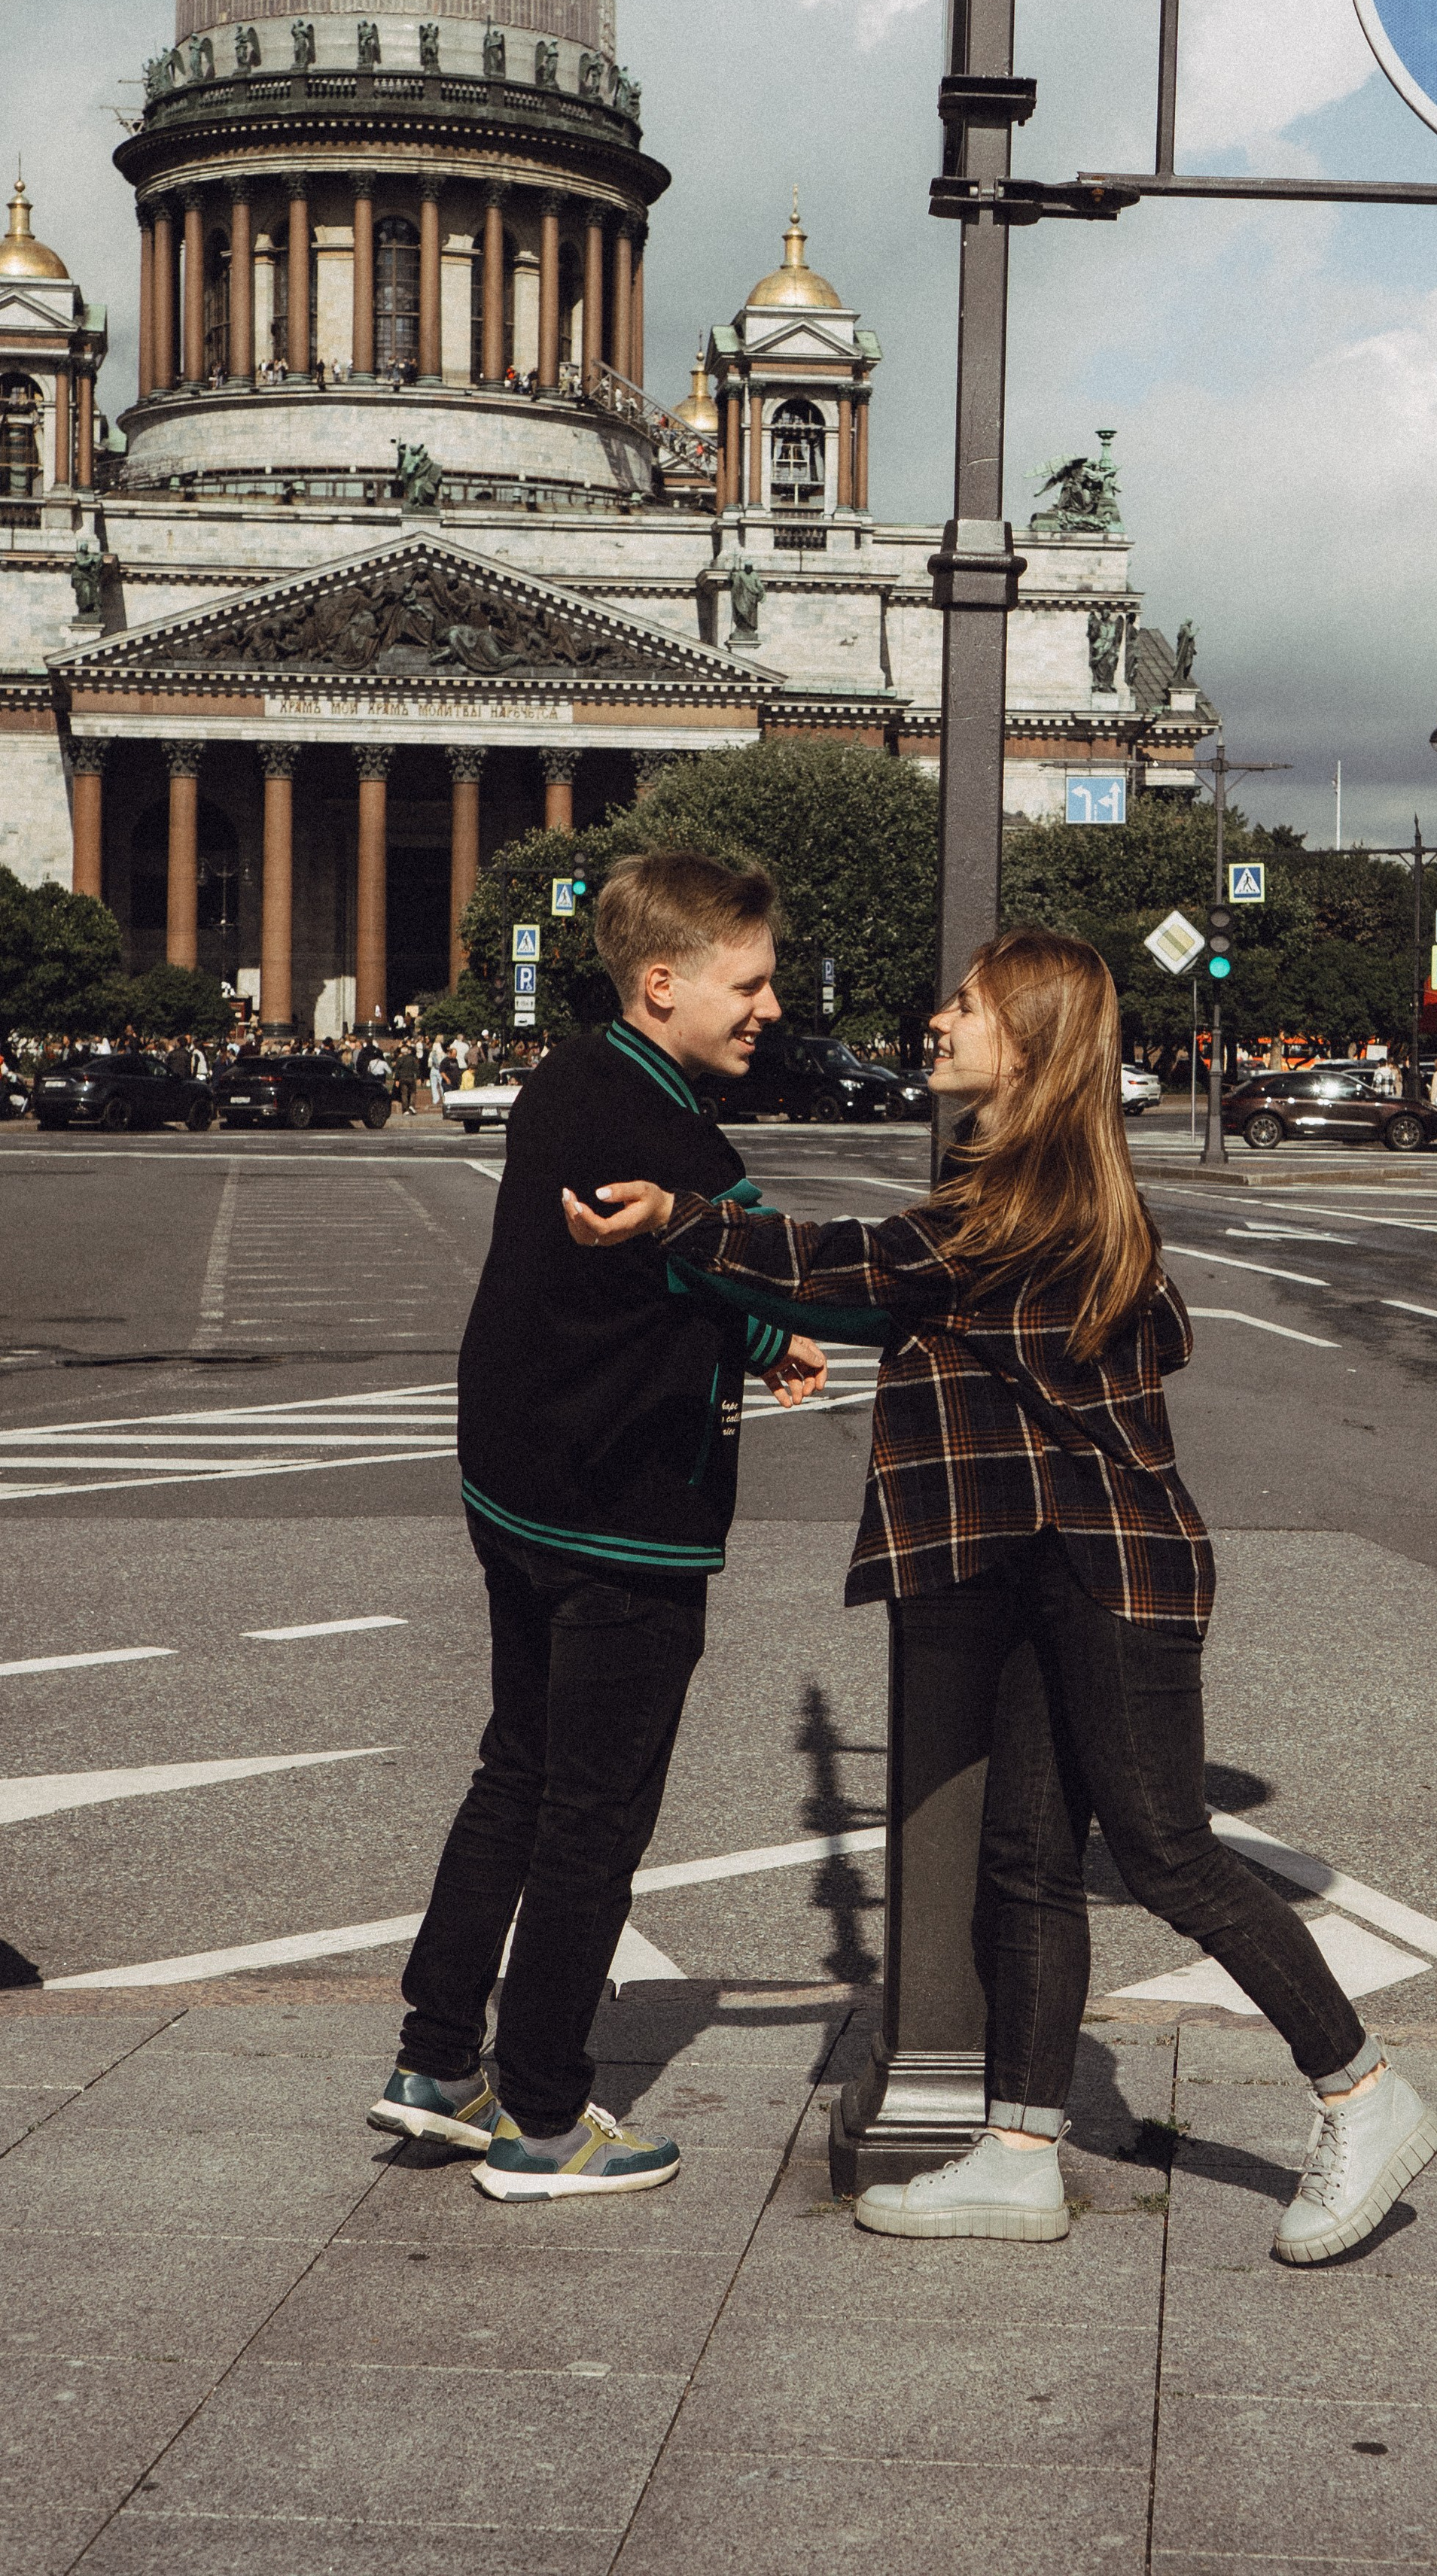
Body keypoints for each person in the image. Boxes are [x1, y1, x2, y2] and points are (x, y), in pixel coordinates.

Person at [565, 927, 1437, 2266]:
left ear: (1026, 1044)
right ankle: (1022, 2156)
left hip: (1110, 1566)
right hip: (1040, 1555)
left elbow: (866, 1267)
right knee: (1027, 1861)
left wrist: (685, 1223)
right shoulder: (1023, 1183)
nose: (939, 1019)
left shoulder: (1033, 1200)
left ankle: (1365, 2094)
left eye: (967, 1006)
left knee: (1166, 1850)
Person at [370, 852, 833, 2202]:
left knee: (517, 1768)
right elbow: (757, 1260)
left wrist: (754, 1335)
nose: (770, 1008)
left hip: (516, 1487)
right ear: (664, 983)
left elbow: (652, 1275)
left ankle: (437, 2062)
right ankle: (544, 2116)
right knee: (596, 1813)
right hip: (624, 1514)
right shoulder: (678, 1138)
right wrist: (780, 1332)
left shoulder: (570, 1078)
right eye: (750, 984)